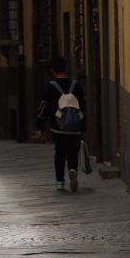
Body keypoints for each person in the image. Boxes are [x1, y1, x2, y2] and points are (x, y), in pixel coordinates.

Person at [35, 55, 87, 192]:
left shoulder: (50, 88)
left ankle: (59, 181)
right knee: (73, 151)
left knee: (59, 152)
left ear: (53, 70)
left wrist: (40, 127)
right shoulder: (76, 86)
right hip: (75, 127)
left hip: (58, 128)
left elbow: (44, 108)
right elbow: (83, 107)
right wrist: (83, 126)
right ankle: (72, 169)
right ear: (65, 68)